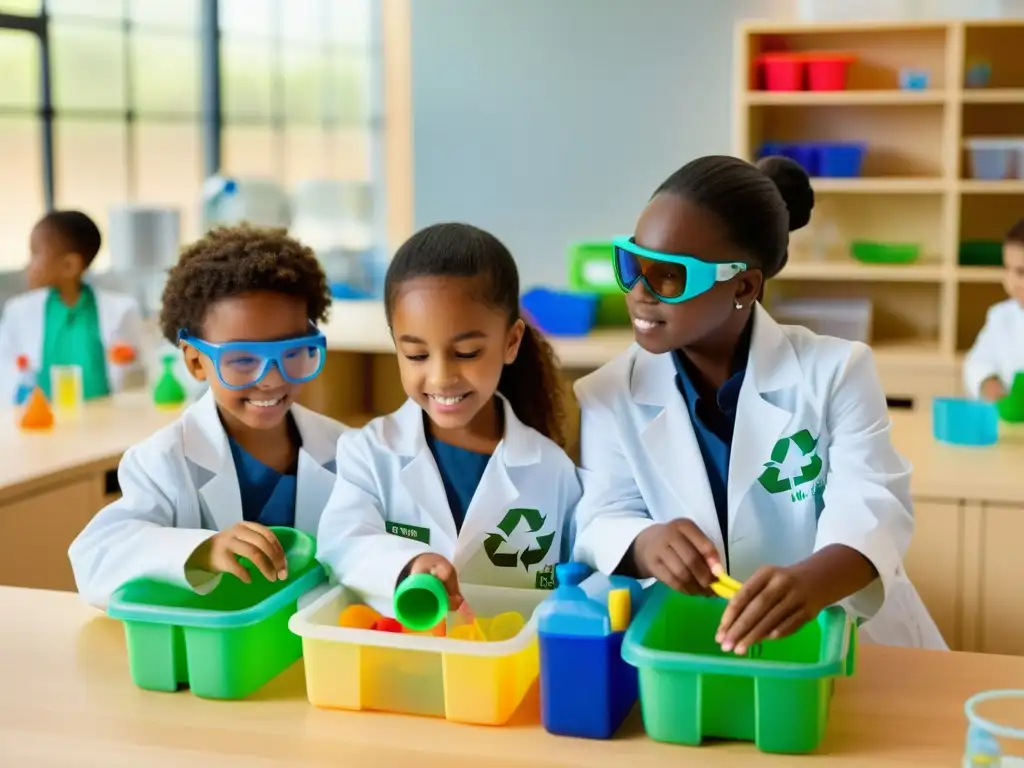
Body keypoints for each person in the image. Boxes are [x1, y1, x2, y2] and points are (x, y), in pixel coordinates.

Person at [572, 155, 946, 652]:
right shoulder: (608, 392)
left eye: (668, 276)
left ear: (743, 287)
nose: (639, 293)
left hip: (849, 641)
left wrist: (813, 582)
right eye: (631, 263)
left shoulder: (837, 373)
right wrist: (645, 542)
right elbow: (600, 516)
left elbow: (872, 505)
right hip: (696, 643)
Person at [69, 225, 347, 609]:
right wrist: (202, 550)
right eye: (243, 359)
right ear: (196, 361)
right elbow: (94, 558)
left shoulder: (348, 451)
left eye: (294, 351)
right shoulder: (163, 461)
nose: (271, 380)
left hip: (318, 655)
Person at [316, 223, 580, 615]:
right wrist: (405, 565)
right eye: (417, 355)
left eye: (468, 352)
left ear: (511, 342)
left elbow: (582, 573)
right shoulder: (368, 453)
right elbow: (341, 542)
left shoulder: (551, 471)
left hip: (506, 670)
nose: (441, 377)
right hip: (401, 665)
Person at [0, 210, 143, 404]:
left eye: (35, 253)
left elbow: (138, 374)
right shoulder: (18, 312)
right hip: (41, 421)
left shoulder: (121, 311)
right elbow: (6, 373)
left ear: (69, 265)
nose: (29, 264)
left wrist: (128, 360)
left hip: (105, 421)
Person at [963, 217, 1024, 402]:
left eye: (1022, 272)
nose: (1011, 282)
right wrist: (989, 385)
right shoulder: (1001, 316)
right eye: (1007, 269)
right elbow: (977, 362)